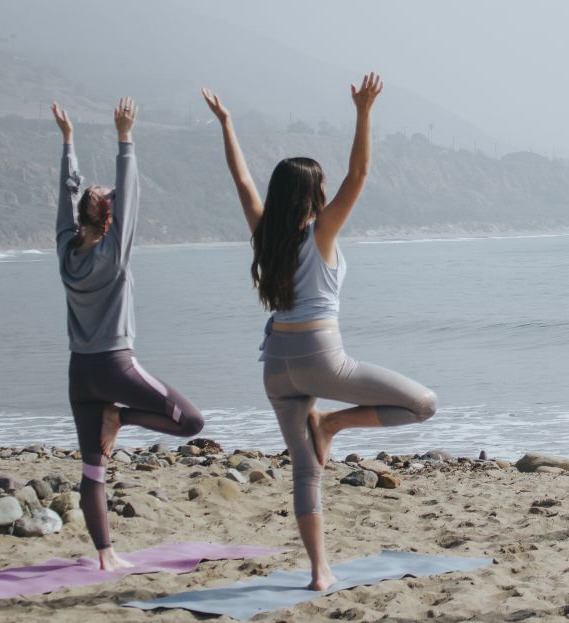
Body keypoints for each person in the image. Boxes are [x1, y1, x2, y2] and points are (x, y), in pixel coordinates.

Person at [202, 74, 438, 592]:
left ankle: (319, 572)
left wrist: (227, 124)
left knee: (305, 473)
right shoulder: (321, 231)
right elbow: (360, 173)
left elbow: (241, 181)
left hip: (275, 368)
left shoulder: (266, 234)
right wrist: (364, 111)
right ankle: (331, 423)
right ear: (314, 192)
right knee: (423, 404)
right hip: (320, 358)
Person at [52, 98, 206, 571]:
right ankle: (121, 419)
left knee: (92, 468)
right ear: (110, 219)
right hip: (116, 367)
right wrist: (125, 138)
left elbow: (66, 195)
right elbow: (130, 190)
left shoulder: (65, 249)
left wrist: (69, 144)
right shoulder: (115, 253)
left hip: (81, 373)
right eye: (109, 200)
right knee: (191, 422)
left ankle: (105, 555)